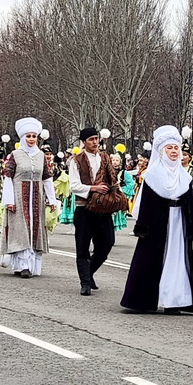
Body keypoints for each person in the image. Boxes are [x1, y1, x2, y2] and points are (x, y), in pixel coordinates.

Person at [121, 125, 193, 314]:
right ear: (161, 151)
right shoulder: (152, 176)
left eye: (176, 148)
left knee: (177, 260)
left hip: (178, 225)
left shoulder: (184, 177)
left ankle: (173, 301)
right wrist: (142, 227)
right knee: (152, 260)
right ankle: (145, 300)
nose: (174, 152)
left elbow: (190, 205)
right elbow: (145, 204)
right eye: (169, 148)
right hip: (157, 225)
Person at [0, 117, 58, 277]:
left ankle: (32, 266)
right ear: (22, 137)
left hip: (36, 199)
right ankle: (23, 265)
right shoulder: (15, 155)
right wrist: (9, 200)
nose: (31, 139)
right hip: (19, 198)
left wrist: (52, 199)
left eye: (34, 136)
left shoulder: (41, 156)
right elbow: (8, 178)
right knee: (21, 230)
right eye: (28, 136)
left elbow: (47, 178)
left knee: (34, 229)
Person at [68, 127, 118, 296]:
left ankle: (89, 272)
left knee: (106, 244)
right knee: (82, 247)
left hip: (102, 208)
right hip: (84, 209)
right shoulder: (76, 161)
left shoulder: (105, 158)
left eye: (96, 138)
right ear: (84, 142)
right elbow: (74, 186)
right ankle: (85, 283)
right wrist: (94, 188)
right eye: (91, 139)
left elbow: (112, 179)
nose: (95, 142)